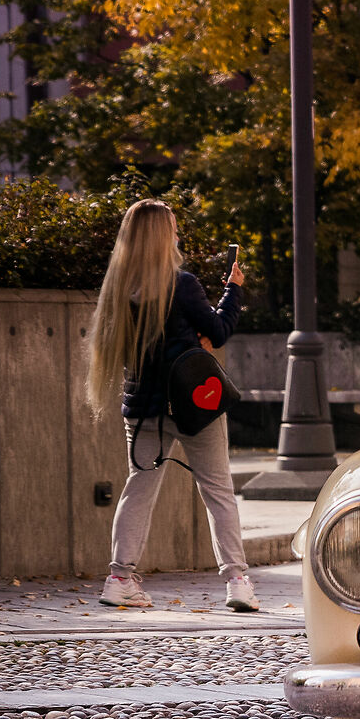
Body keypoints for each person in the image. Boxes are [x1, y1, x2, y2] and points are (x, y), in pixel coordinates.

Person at [86, 199, 255, 611]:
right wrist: (233, 289)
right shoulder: (182, 283)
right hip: (193, 402)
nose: (178, 234)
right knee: (218, 490)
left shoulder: (118, 291)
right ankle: (237, 582)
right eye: (174, 227)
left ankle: (119, 578)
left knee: (138, 489)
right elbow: (217, 331)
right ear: (165, 236)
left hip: (144, 407)